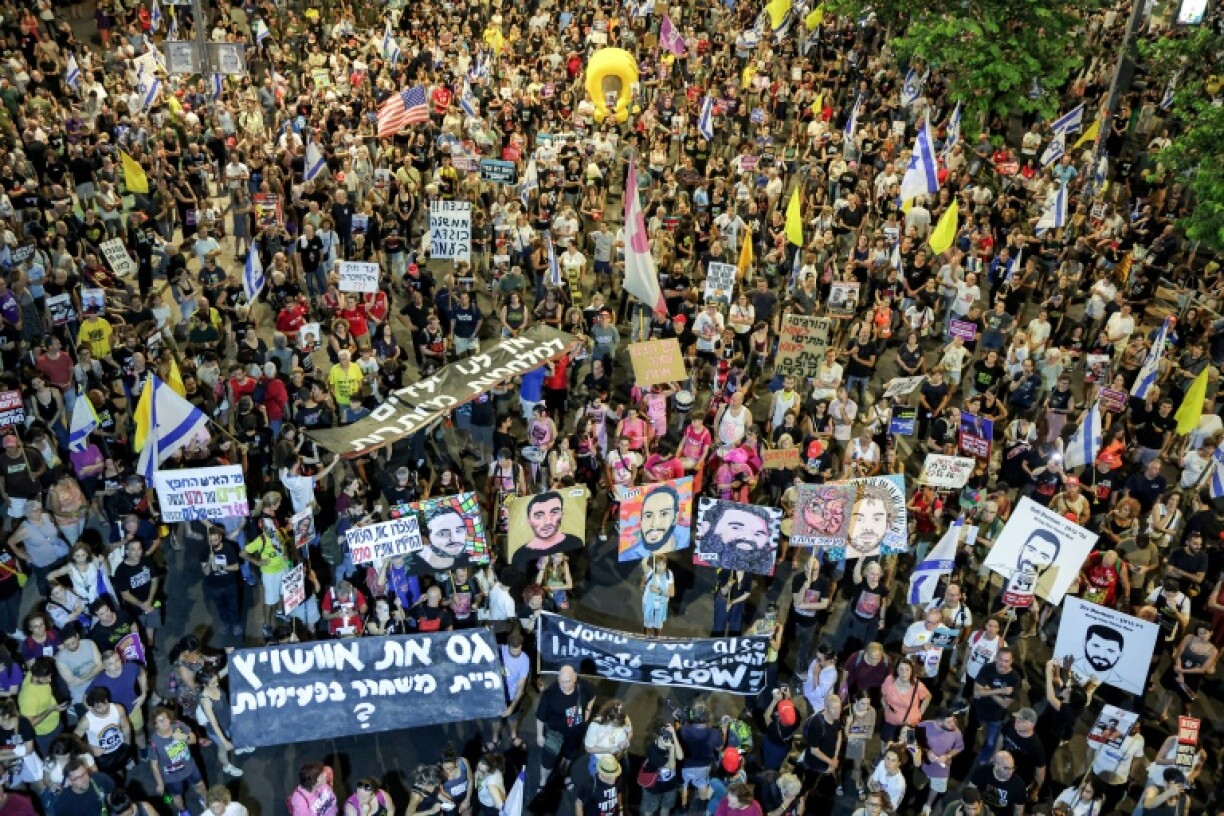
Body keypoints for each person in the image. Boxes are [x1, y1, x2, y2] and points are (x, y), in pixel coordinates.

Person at [534, 665, 596, 792]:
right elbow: (540, 716)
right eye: (560, 681)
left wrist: (589, 709)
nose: (563, 684)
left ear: (574, 679)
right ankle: (542, 781)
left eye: (566, 681)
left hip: (575, 731)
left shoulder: (583, 686)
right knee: (548, 760)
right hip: (554, 732)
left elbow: (593, 695)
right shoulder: (550, 693)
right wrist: (539, 735)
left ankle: (564, 775)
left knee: (569, 757)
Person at [697, 502, 777, 574]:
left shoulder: (766, 568)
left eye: (758, 534)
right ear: (708, 527)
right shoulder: (699, 560)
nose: (748, 538)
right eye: (736, 528)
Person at [513, 491, 584, 565]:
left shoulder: (575, 542)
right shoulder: (520, 555)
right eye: (539, 516)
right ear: (529, 521)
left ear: (562, 514)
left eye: (554, 512)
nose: (547, 522)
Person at [621, 484, 688, 560]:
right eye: (648, 516)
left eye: (664, 514)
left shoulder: (685, 537)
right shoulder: (628, 555)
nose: (654, 524)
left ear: (675, 518)